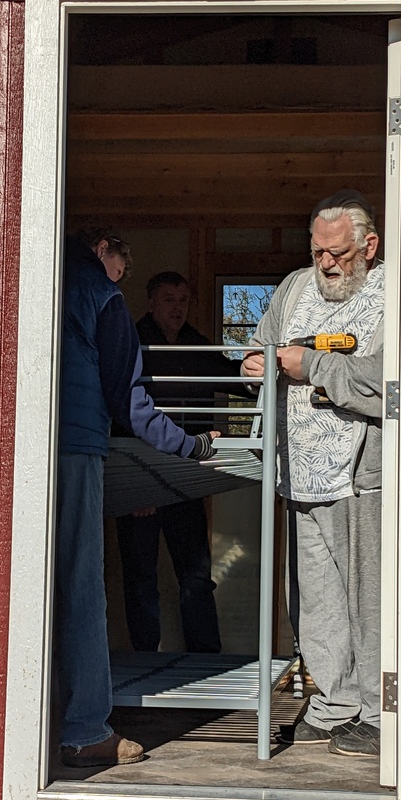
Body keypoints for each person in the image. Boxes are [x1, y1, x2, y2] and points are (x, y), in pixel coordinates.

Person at [57, 234, 218, 768]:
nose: (119, 278)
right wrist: (189, 445)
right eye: (121, 269)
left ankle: (44, 712)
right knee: (85, 585)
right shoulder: (104, 298)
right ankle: (83, 729)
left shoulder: (42, 276)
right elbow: (131, 402)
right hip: (81, 447)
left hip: (24, 446)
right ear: (105, 249)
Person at [242, 190, 384, 758]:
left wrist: (313, 366)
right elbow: (259, 349)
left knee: (368, 600)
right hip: (297, 472)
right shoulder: (296, 287)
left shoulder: (390, 295)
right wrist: (257, 365)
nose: (326, 264)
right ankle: (333, 705)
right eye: (318, 250)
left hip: (360, 476)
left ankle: (378, 713)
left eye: (340, 254)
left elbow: (388, 381)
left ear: (368, 247)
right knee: (315, 599)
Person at [115, 271, 242, 653]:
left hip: (187, 476)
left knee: (197, 575)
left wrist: (262, 369)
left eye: (183, 300)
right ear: (151, 302)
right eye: (169, 299)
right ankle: (144, 664)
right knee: (140, 576)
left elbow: (233, 378)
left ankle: (206, 660)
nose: (177, 307)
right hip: (140, 476)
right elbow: (121, 413)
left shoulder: (195, 346)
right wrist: (137, 487)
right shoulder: (132, 343)